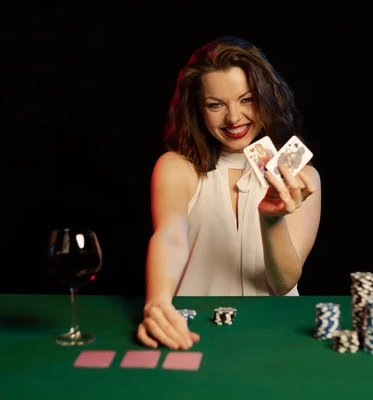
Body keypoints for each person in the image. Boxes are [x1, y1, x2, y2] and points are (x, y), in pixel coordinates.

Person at [137, 36, 322, 350]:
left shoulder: (302, 176)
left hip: (277, 338)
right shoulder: (177, 167)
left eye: (247, 99)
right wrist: (157, 303)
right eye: (215, 105)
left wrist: (271, 220)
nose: (234, 118)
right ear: (198, 109)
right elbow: (171, 236)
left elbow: (283, 283)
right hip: (192, 335)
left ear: (266, 98)